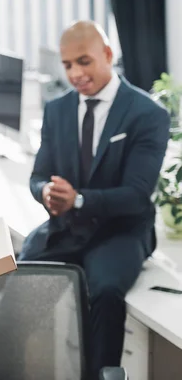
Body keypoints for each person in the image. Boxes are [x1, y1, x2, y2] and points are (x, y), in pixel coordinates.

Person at [21, 21, 170, 378]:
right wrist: (45, 193)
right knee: (19, 274)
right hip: (68, 226)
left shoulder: (147, 114)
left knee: (104, 290)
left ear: (107, 55)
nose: (75, 73)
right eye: (68, 64)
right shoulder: (57, 111)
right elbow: (38, 175)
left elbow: (136, 196)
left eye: (84, 62)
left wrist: (79, 200)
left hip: (121, 230)